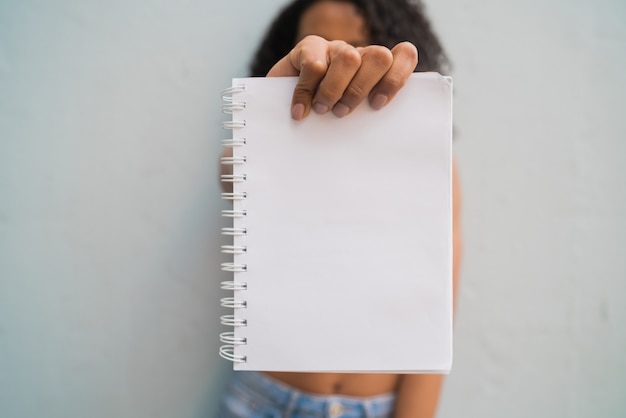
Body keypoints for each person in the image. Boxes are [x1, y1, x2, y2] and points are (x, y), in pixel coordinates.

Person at [219, 0, 462, 416]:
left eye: (356, 46)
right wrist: (277, 102)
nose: (338, 59)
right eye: (319, 47)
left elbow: (435, 314)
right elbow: (232, 175)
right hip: (259, 402)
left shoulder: (430, 168)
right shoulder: (276, 151)